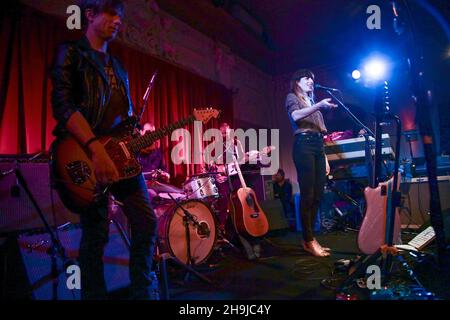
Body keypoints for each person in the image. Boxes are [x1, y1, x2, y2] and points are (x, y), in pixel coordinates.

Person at [51, 0, 158, 299]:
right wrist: (95, 150)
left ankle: (141, 291)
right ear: (90, 15)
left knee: (146, 222)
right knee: (95, 235)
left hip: (119, 156)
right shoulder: (71, 53)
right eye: (111, 13)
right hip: (86, 153)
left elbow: (125, 118)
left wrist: (138, 136)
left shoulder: (119, 67)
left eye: (120, 16)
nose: (117, 20)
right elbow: (63, 105)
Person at [285, 69, 337, 257]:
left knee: (318, 195)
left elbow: (320, 133)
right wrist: (319, 106)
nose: (311, 81)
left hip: (317, 146)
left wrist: (324, 157)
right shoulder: (292, 97)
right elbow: (296, 116)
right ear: (297, 82)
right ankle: (308, 239)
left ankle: (310, 238)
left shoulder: (313, 102)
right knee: (307, 194)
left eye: (312, 79)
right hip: (303, 145)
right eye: (306, 78)